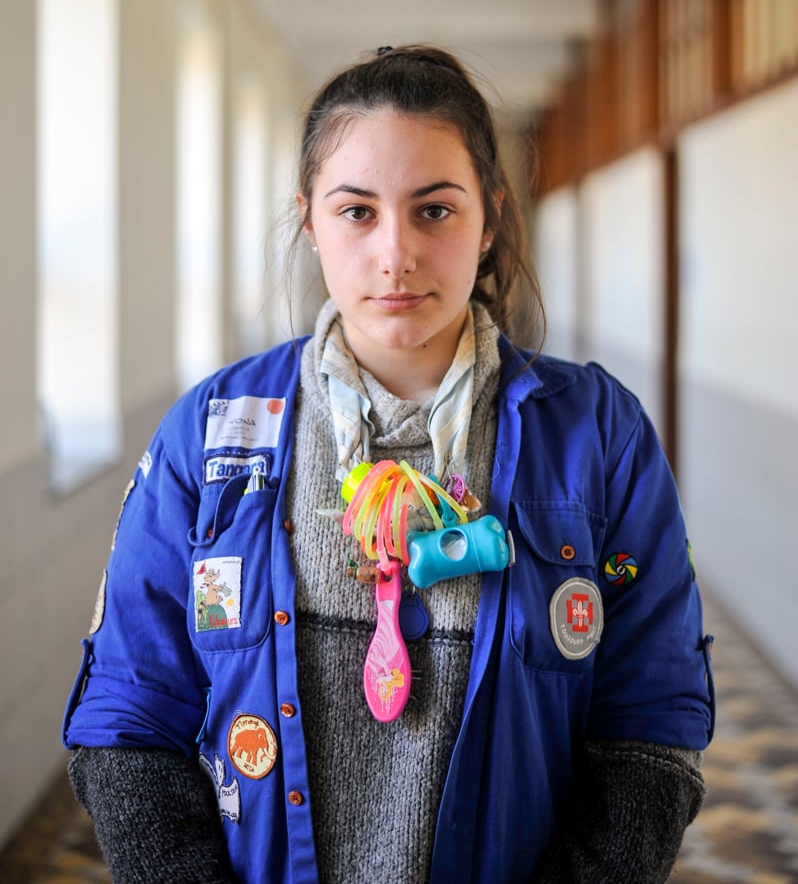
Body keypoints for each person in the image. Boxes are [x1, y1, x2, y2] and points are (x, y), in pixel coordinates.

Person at [63, 45, 715, 884]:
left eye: (435, 210)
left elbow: (650, 724)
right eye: (357, 211)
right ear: (310, 220)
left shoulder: (597, 435)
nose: (395, 253)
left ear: (490, 219)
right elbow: (128, 714)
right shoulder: (212, 432)